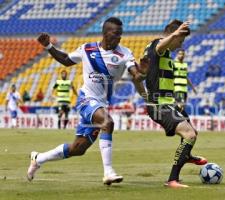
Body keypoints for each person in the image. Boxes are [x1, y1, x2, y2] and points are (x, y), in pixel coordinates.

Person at [27, 17, 148, 185]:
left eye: (120, 35)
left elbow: (134, 72)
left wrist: (140, 74)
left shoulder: (124, 53)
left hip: (101, 104)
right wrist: (48, 46)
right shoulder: (87, 49)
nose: (119, 38)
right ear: (105, 34)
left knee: (78, 149)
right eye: (115, 34)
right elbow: (66, 60)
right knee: (108, 122)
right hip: (86, 99)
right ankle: (108, 172)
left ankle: (38, 158)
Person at [141, 19, 207, 188]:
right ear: (173, 36)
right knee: (189, 135)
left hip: (167, 103)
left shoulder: (161, 52)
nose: (180, 45)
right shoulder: (158, 46)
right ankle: (172, 180)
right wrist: (175, 34)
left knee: (193, 133)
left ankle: (187, 156)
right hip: (158, 105)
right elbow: (160, 46)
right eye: (181, 41)